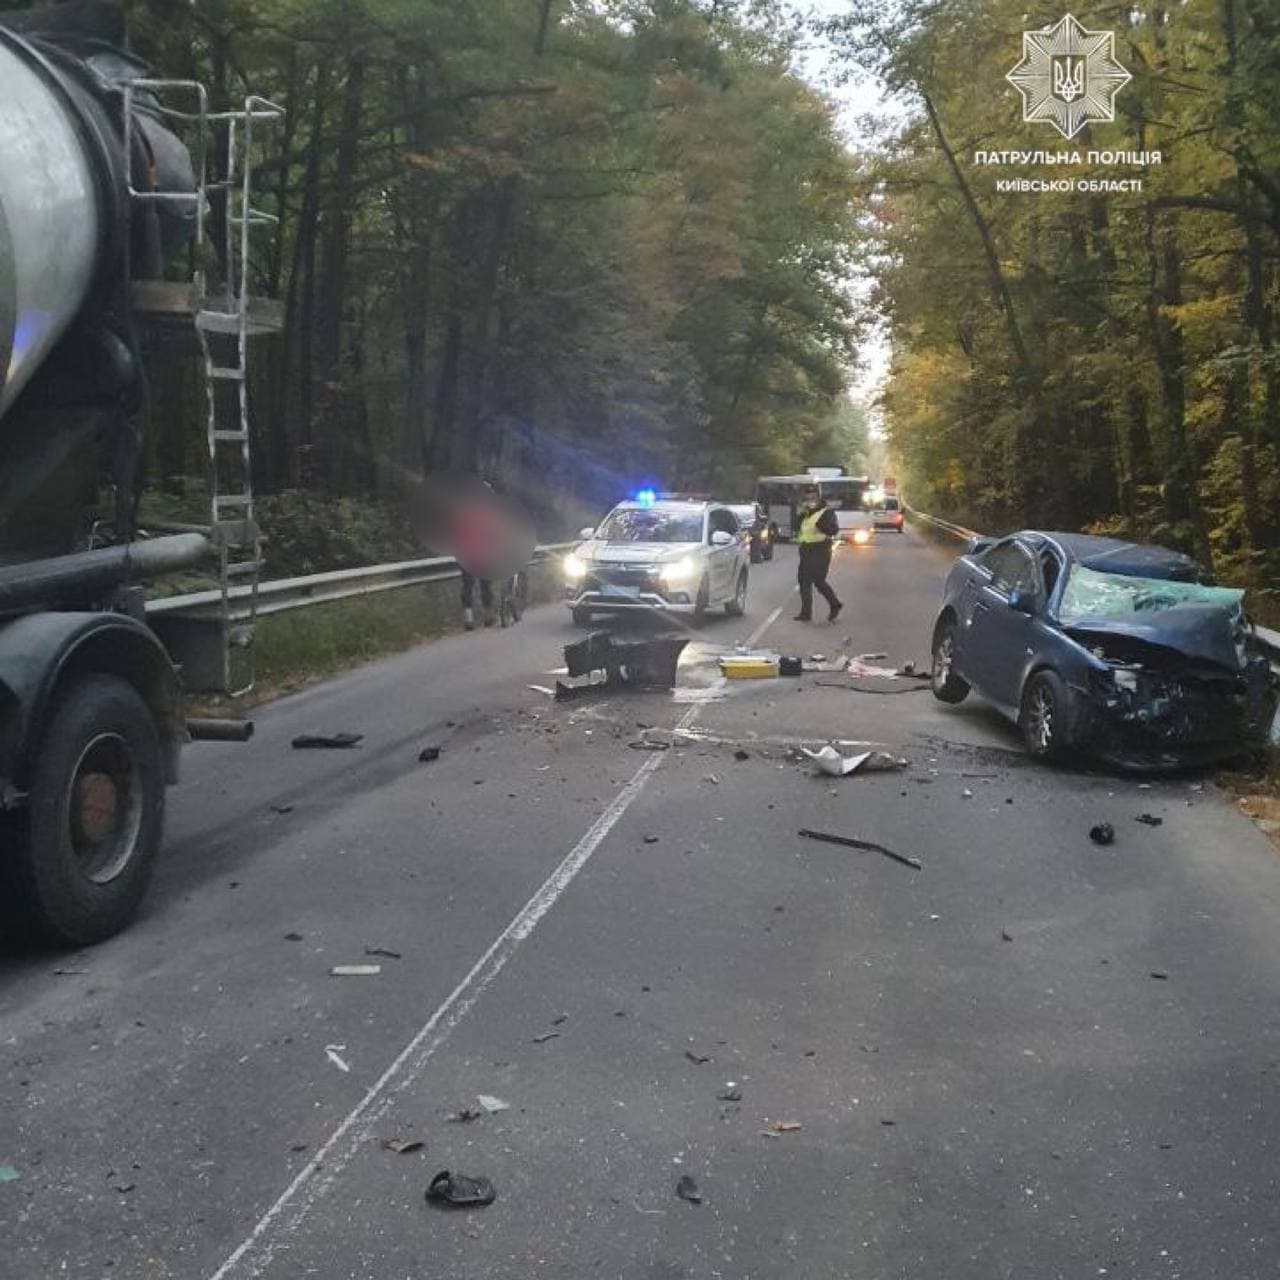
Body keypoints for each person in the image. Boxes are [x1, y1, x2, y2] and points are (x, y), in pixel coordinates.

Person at [793, 485, 843, 622]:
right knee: (804, 581)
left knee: (818, 581)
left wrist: (820, 525)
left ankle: (835, 604)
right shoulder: (807, 513)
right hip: (806, 550)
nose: (810, 500)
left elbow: (833, 530)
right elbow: (796, 528)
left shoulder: (826, 512)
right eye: (807, 498)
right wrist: (800, 514)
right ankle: (806, 613)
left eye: (813, 497)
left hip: (821, 550)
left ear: (818, 498)